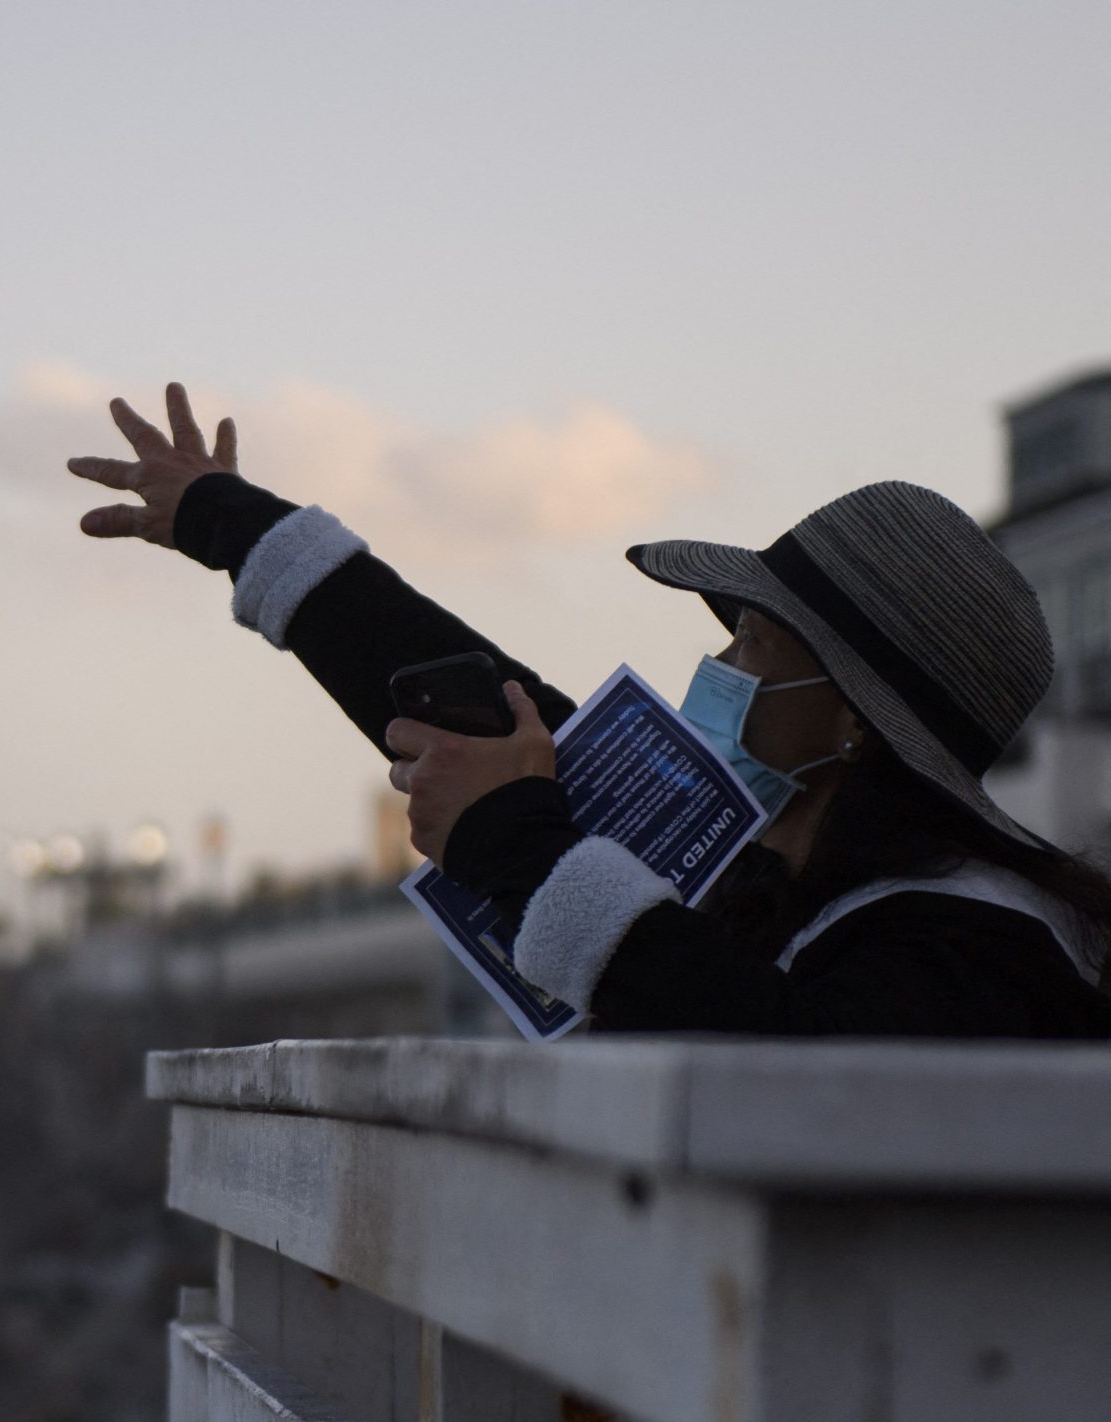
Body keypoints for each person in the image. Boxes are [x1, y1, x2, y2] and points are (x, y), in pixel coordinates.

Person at [69, 383, 1111, 1037]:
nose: (721, 664)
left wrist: (513, 843)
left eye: (752, 640)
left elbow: (769, 1055)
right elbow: (507, 717)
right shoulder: (783, 880)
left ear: (851, 714)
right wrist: (240, 527)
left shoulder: (971, 948)